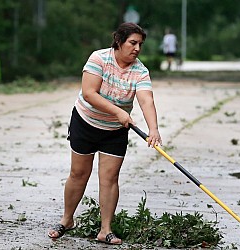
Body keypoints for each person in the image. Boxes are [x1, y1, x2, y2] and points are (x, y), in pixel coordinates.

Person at [48, 22, 162, 245]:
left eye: (140, 44)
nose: (137, 48)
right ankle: (67, 219)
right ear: (119, 41)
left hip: (115, 131)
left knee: (110, 178)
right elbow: (89, 93)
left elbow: (146, 99)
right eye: (133, 42)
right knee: (79, 174)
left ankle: (105, 230)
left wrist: (153, 129)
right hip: (86, 122)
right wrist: (118, 111)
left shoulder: (140, 71)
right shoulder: (99, 59)